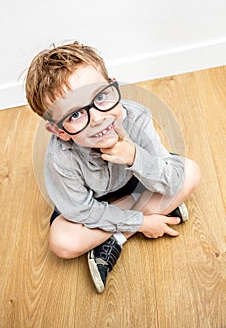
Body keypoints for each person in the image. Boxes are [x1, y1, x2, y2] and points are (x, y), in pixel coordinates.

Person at [25, 41, 201, 293]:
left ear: (112, 85)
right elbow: (82, 210)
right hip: (91, 204)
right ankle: (153, 208)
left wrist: (133, 156)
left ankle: (116, 239)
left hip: (137, 180)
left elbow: (174, 177)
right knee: (61, 242)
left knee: (190, 172)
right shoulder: (60, 157)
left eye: (100, 97)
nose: (98, 118)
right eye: (75, 115)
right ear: (59, 131)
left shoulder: (137, 118)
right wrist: (141, 222)